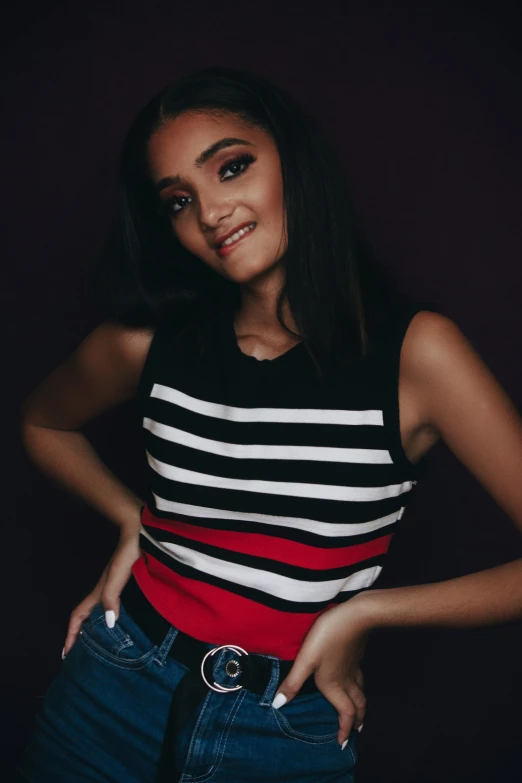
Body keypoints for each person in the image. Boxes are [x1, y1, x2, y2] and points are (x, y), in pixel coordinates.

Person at [16, 66, 522, 783]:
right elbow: (42, 421)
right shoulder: (149, 344)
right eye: (178, 201)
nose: (211, 212)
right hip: (111, 684)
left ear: (293, 156)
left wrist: (365, 612)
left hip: (286, 722)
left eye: (232, 166)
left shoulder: (417, 355)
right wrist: (133, 518)